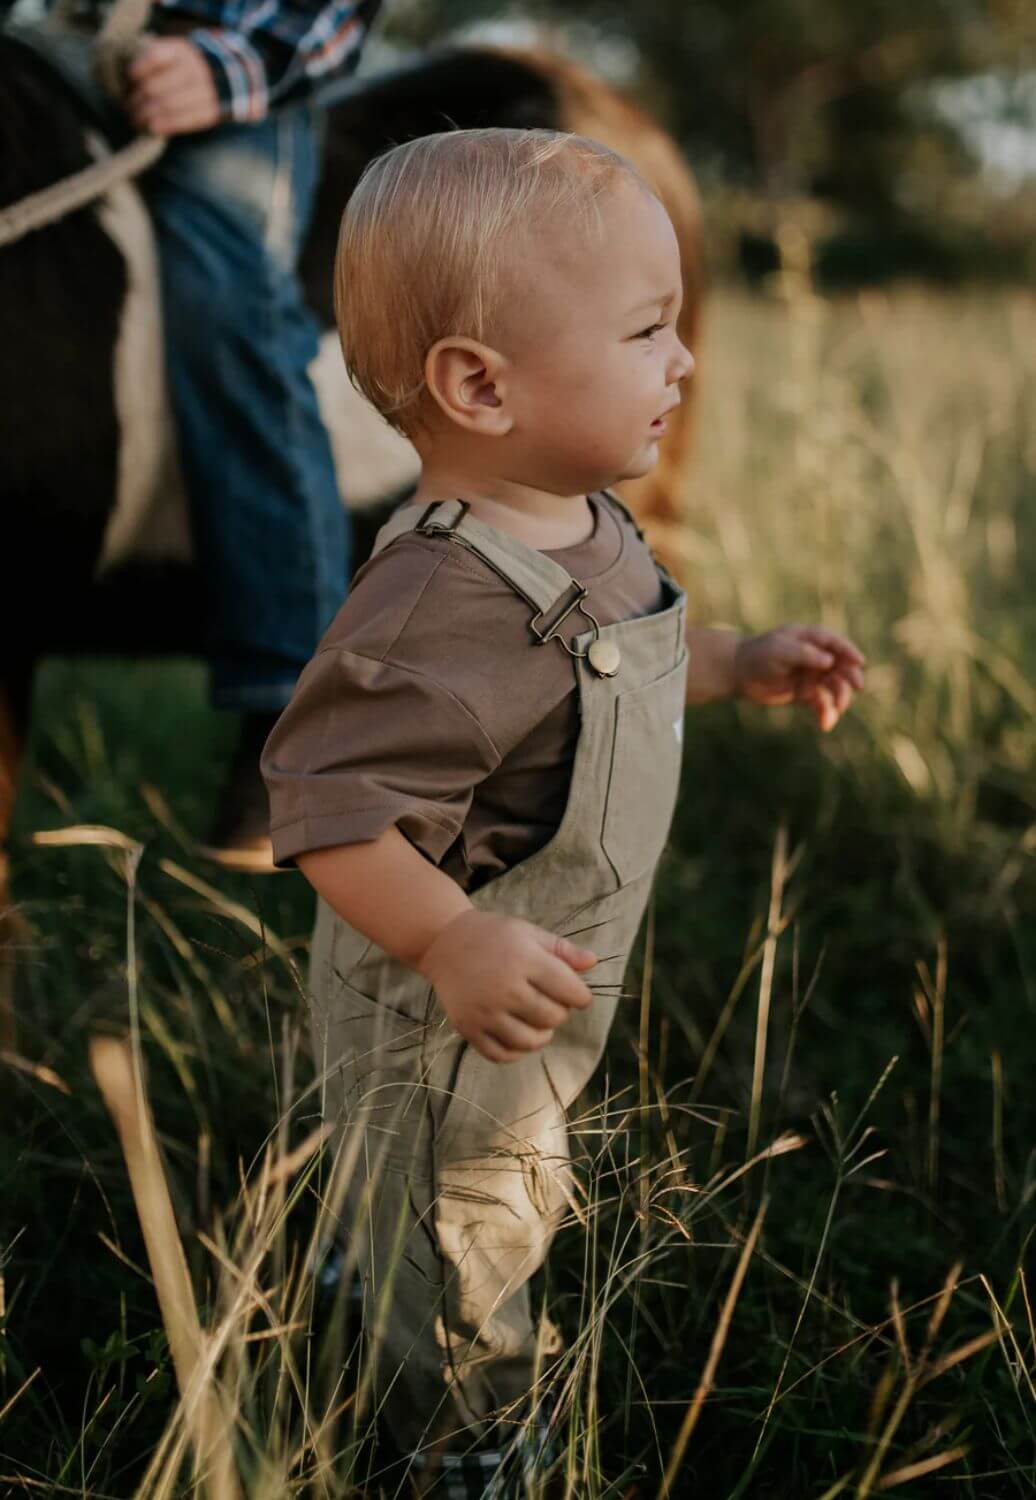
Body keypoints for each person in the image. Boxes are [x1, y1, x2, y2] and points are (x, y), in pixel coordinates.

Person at [261, 128, 866, 1496]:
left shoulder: (577, 515)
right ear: (481, 384)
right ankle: (466, 1441)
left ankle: (364, 1256)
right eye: (650, 329)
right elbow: (327, 808)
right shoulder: (435, 600)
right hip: (443, 1004)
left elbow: (622, 657)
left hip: (528, 983)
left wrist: (739, 659)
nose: (686, 362)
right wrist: (452, 944)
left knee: (451, 1195)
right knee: (472, 1225)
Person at [123, 0, 382, 867]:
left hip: (224, 66)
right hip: (53, 47)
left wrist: (238, 63)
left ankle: (292, 699)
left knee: (228, 308)